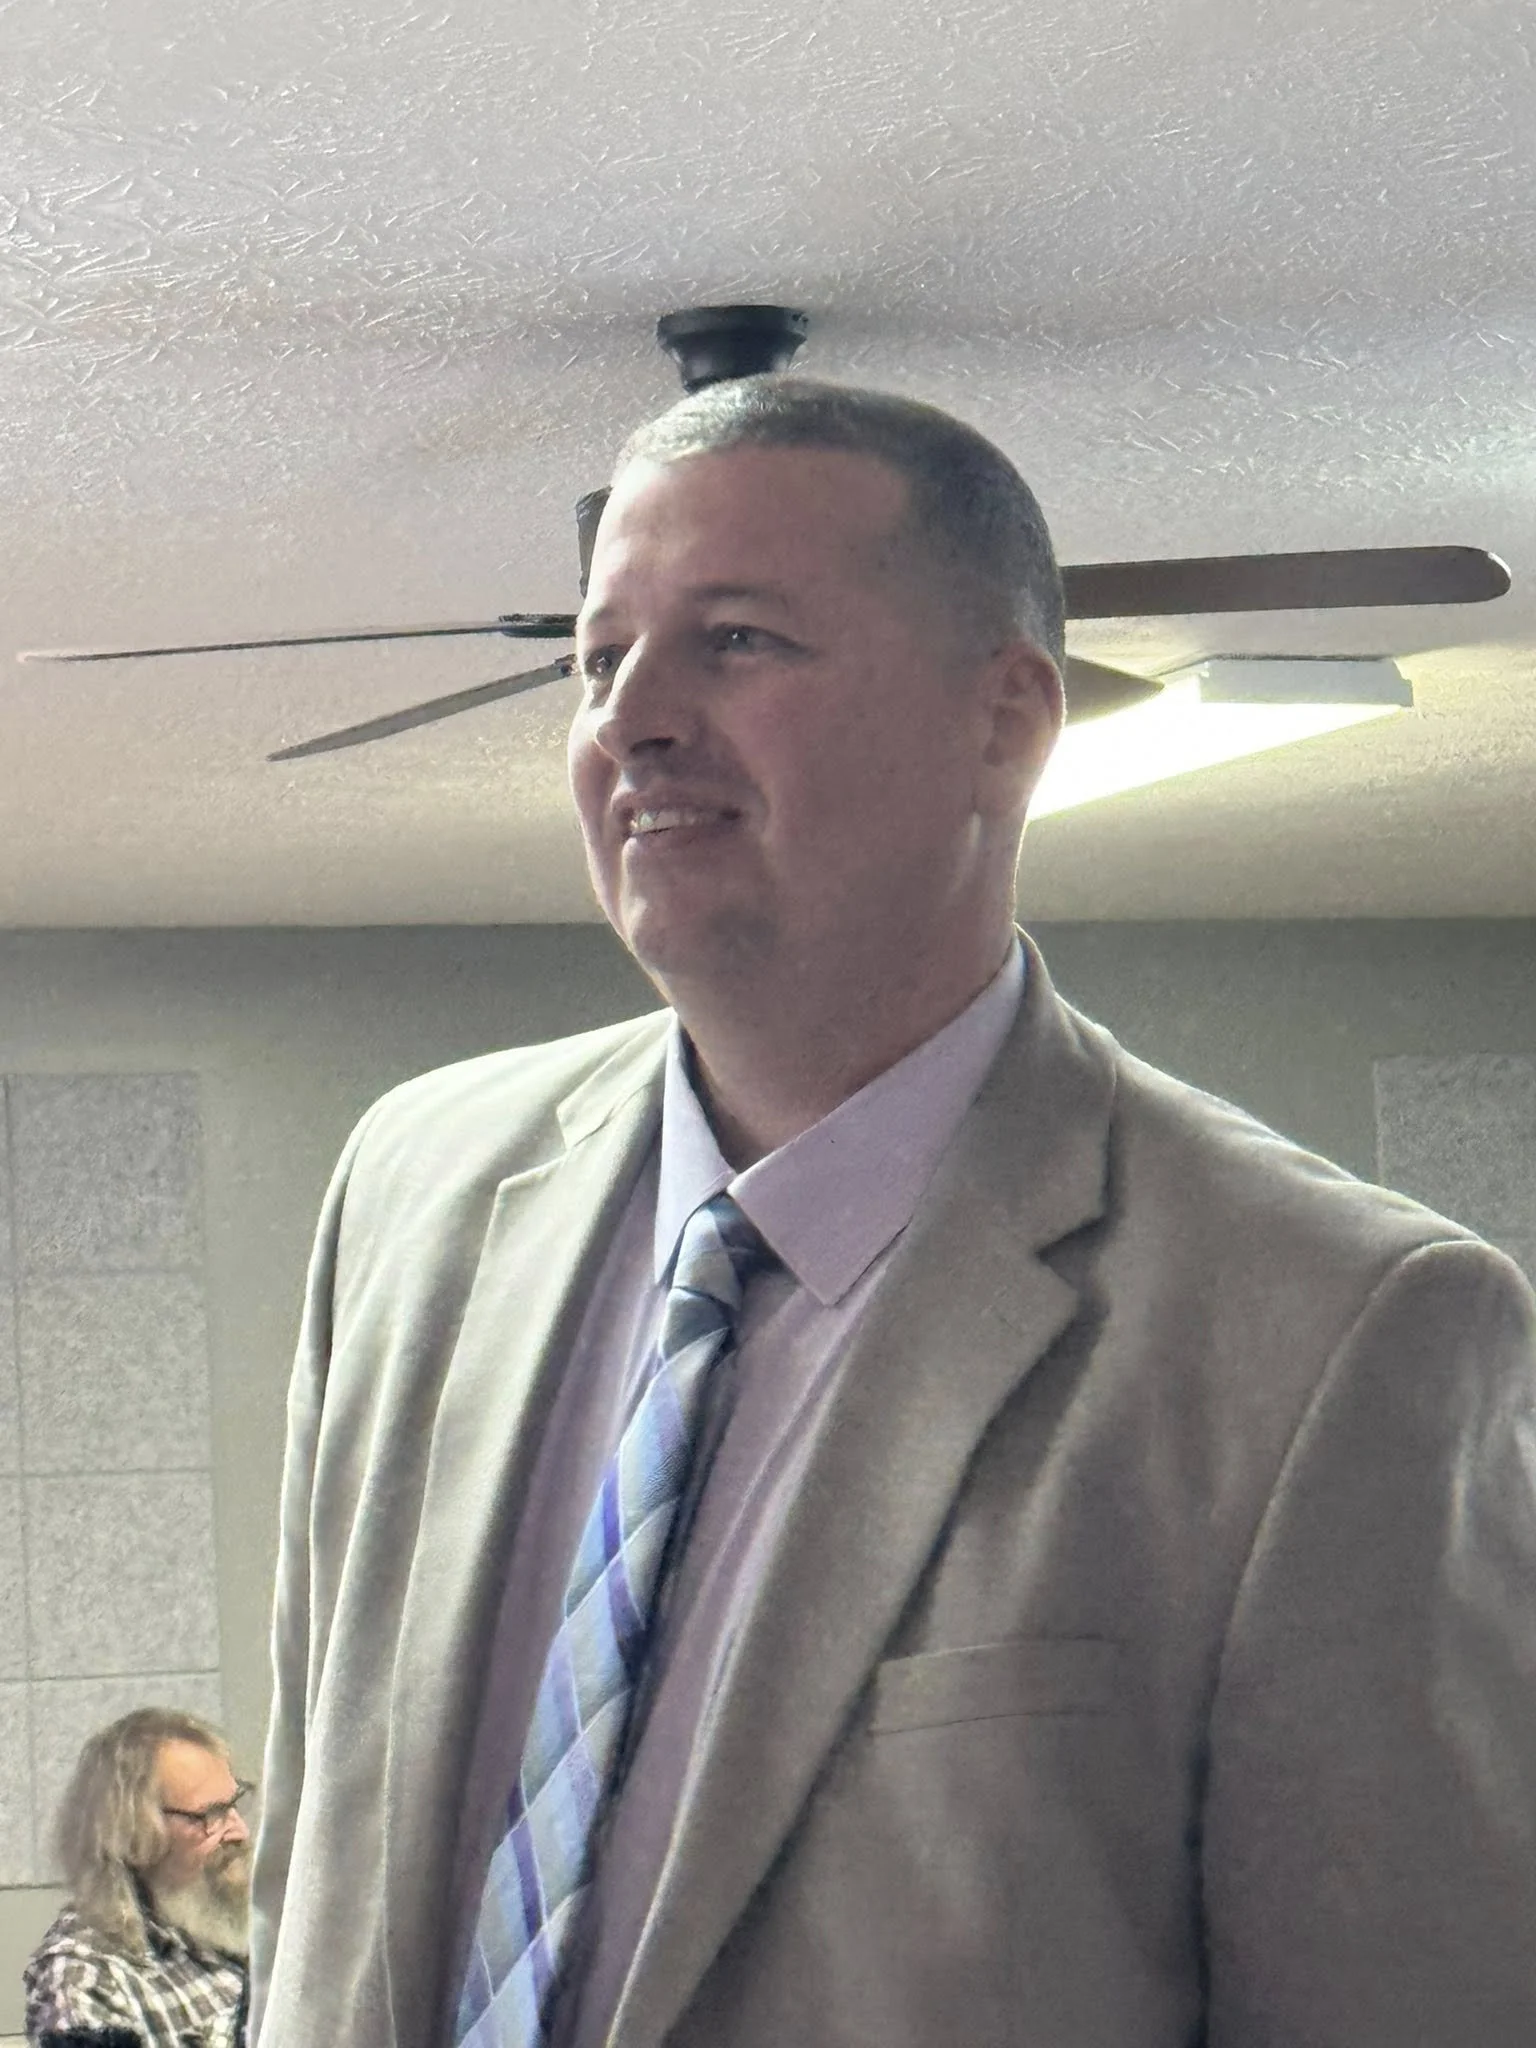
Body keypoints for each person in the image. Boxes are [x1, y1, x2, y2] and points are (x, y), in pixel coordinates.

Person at [250, 378, 1536, 2047]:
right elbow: (307, 1882)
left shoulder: (1333, 1332)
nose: (632, 718)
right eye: (599, 655)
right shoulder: (411, 1190)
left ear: (1004, 718)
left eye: (736, 641)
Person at [25, 1706, 252, 2048]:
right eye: (211, 1815)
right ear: (134, 1834)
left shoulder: (222, 1924)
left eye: (234, 1804)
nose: (240, 1832)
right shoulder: (87, 1977)